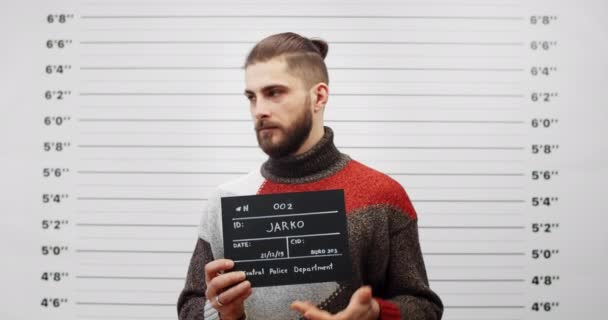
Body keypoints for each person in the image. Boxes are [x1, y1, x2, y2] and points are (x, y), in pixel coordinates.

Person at [177, 32, 443, 320]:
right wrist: (222, 314)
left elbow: (424, 306)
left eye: (274, 93)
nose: (260, 110)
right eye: (252, 97)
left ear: (318, 96)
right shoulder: (225, 200)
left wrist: (376, 313)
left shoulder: (382, 196)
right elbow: (190, 304)